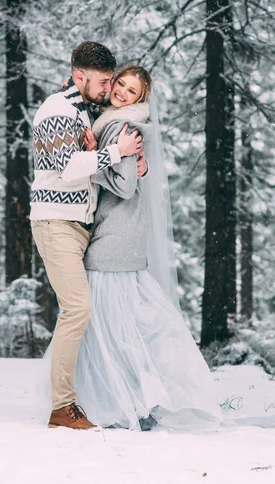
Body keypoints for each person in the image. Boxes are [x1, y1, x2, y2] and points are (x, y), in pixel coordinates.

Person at [71, 64, 222, 431]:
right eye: (120, 84)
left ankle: (127, 403)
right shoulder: (115, 119)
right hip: (121, 234)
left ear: (141, 98)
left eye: (131, 90)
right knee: (123, 326)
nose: (121, 92)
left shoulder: (123, 126)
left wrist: (91, 163)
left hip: (115, 238)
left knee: (112, 327)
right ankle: (136, 400)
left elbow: (122, 187)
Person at [30, 42, 147, 430]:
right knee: (78, 309)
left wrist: (135, 162)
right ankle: (62, 408)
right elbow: (67, 167)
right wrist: (117, 151)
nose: (107, 88)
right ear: (79, 76)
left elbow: (108, 153)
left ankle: (95, 396)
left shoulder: (84, 111)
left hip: (79, 226)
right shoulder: (57, 110)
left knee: (84, 313)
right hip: (55, 223)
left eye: (111, 81)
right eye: (102, 81)